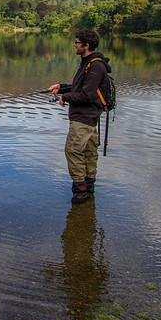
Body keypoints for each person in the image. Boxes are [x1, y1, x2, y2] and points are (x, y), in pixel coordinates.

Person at [48, 29, 111, 204]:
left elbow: (87, 95)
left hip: (83, 118)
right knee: (89, 152)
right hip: (89, 117)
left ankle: (81, 190)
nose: (74, 45)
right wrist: (61, 87)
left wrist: (65, 97)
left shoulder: (95, 66)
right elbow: (81, 88)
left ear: (86, 45)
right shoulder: (88, 63)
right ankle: (89, 187)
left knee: (73, 151)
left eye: (77, 42)